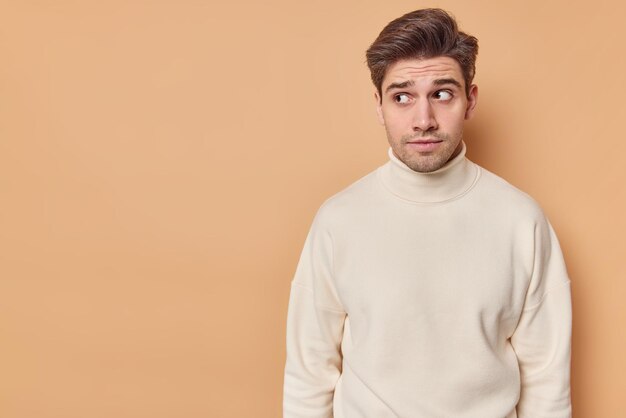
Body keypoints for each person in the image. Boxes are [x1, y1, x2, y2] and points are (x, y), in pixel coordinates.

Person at [282, 8, 572, 418]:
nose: (423, 120)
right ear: (379, 105)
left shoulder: (522, 221)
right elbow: (308, 375)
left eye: (441, 94)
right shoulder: (338, 221)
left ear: (469, 101)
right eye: (402, 96)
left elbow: (547, 384)